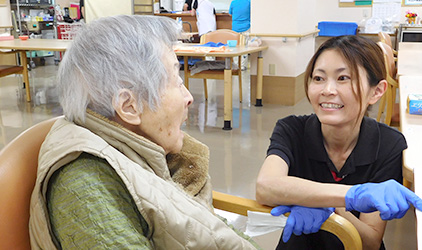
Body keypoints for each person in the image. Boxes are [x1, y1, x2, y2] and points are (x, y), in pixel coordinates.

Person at [28, 15, 258, 249]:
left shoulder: (142, 148)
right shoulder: (85, 186)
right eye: (177, 82)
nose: (188, 97)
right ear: (129, 106)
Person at [255, 35, 422, 250]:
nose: (327, 90)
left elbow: (370, 241)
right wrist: (349, 197)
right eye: (318, 78)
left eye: (343, 78)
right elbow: (266, 186)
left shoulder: (389, 144)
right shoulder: (291, 129)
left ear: (376, 91)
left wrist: (332, 209)